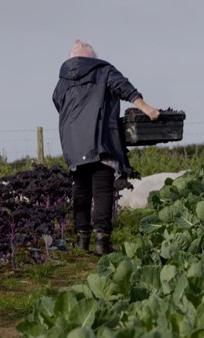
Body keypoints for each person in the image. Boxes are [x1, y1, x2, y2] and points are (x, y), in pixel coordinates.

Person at [52, 39, 160, 255]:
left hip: (73, 143)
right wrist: (146, 108)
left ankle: (82, 243)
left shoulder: (62, 81)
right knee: (101, 190)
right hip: (100, 140)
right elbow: (125, 89)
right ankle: (102, 242)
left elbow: (57, 102)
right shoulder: (103, 70)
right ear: (92, 58)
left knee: (80, 191)